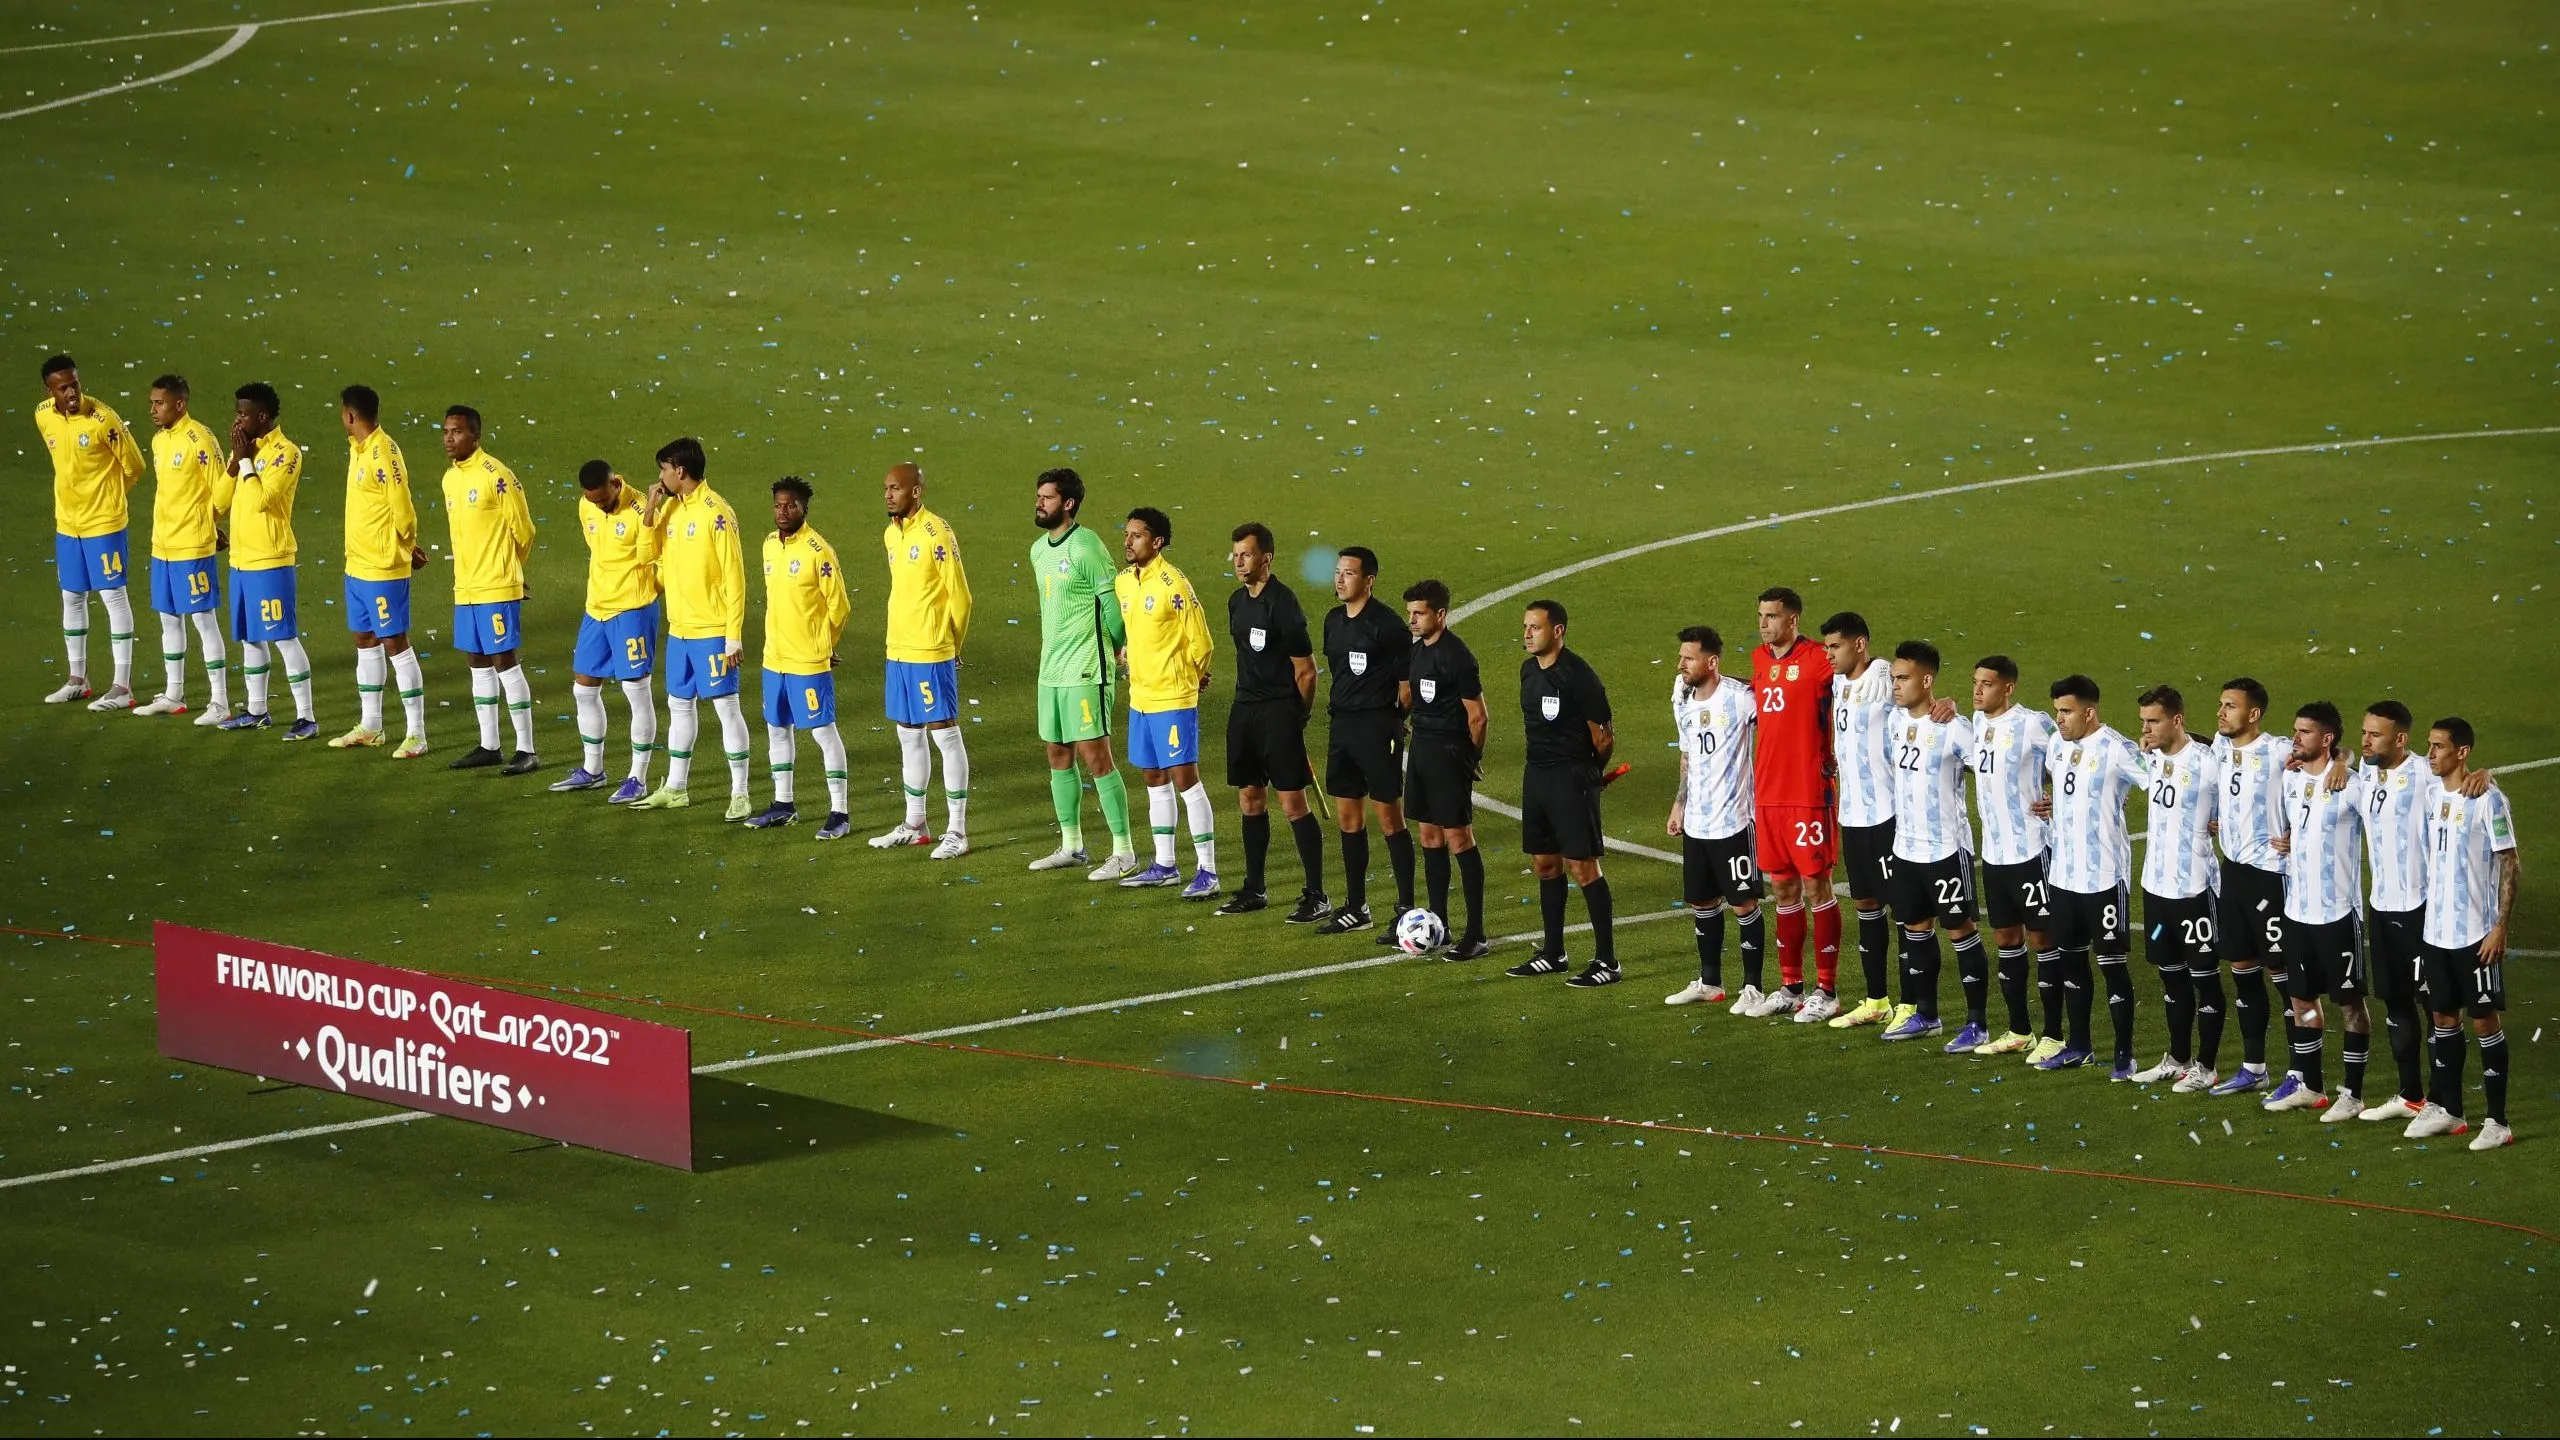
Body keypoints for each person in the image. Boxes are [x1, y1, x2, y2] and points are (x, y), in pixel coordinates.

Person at [2405, 717, 2522, 1149]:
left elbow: (2510, 862)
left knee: (2483, 1020)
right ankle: (2450, 1111)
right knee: (2442, 1018)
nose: (2430, 754)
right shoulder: (2432, 794)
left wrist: (2500, 927)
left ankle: (2498, 1121)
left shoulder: (2489, 800)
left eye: (2438, 746)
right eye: (2429, 745)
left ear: (2463, 752)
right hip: (2436, 933)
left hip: (2476, 934)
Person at [631, 436, 753, 819]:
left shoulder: (717, 513)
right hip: (679, 630)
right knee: (679, 706)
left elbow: (735, 577)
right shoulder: (672, 509)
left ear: (679, 471)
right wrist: (651, 507)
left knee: (726, 708)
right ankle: (676, 787)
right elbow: (645, 554)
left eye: (663, 470)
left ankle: (740, 793)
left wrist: (733, 636)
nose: (660, 477)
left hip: (712, 630)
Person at [1026, 468, 1138, 879]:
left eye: (1047, 497)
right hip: (1051, 670)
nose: (1039, 503)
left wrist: (1118, 647)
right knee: (1057, 754)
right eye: (1039, 496)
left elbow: (1113, 608)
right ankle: (1072, 846)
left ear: (1068, 503)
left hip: (1087, 667)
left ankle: (1124, 851)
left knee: (1096, 757)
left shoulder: (1087, 546)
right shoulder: (1038, 550)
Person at [2029, 675, 2146, 1070]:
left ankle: (2124, 1056)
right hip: (2063, 876)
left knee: (2112, 966)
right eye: (2057, 711)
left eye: (2066, 711)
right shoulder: (2057, 745)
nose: (2059, 719)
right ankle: (2080, 1046)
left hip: (2105, 878)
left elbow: (2162, 779)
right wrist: (2058, 804)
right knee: (2071, 964)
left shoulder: (2118, 749)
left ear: (2090, 712)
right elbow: (2065, 784)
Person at [1504, 599, 1619, 987]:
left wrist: (1590, 774)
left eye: (1534, 627)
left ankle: (1607, 961)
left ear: (1557, 631)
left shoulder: (1578, 676)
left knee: (1582, 866)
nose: (1527, 634)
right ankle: (1554, 953)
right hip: (1537, 775)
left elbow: (1603, 737)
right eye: (1525, 627)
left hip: (1571, 777)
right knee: (1545, 864)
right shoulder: (1528, 671)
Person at [1218, 522, 1329, 921]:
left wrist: (1298, 715)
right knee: (1250, 798)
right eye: (1235, 555)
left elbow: (1307, 671)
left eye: (1246, 555)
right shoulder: (1236, 601)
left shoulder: (1283, 604)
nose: (1238, 562)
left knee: (1292, 803)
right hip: (1244, 709)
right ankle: (1255, 888)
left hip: (1279, 711)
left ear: (1266, 559)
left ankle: (1317, 894)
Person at [1744, 588, 1845, 1020]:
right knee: (1782, 889)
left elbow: (1861, 675)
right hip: (1768, 796)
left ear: (1793, 619)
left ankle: (1827, 990)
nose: (1763, 623)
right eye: (1761, 615)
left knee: (1816, 887)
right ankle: (1791, 986)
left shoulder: (1820, 658)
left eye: (1771, 616)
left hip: (1808, 795)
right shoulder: (1759, 660)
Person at [1877, 641, 1981, 1045]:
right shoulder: (1895, 720)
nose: (1895, 685)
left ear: (1926, 680)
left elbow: (1990, 769)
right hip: (1906, 847)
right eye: (1893, 678)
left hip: (1946, 848)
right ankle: (1926, 1015)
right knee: (1915, 928)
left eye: (1903, 678)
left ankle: (1977, 1024)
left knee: (1960, 930)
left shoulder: (1954, 727)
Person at [2264, 702, 2366, 1113]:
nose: (2295, 738)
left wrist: (2344, 760)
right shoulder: (2290, 778)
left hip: (2338, 912)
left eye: (2304, 732)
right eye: (2295, 730)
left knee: (2349, 1003)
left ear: (2326, 739)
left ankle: (2353, 1095)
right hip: (2297, 912)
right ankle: (2311, 1084)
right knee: (2302, 1001)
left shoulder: (2350, 785)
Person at [1112, 507, 1219, 898]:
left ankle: (1208, 871)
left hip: (1172, 697)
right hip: (1140, 697)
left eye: (1136, 535)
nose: (1127, 541)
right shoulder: (1124, 581)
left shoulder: (1174, 584)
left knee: (1185, 780)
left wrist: (1190, 679)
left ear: (1156, 542)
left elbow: (1202, 642)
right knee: (1153, 779)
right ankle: (1165, 865)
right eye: (1126, 534)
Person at [2126, 686, 2227, 1091]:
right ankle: (2179, 1059)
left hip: (2194, 889)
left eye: (2153, 721)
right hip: (2155, 887)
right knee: (2171, 978)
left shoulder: (2208, 762)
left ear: (2177, 720)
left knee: (2205, 980)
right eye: (2143, 721)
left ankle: (2207, 1066)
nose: (2146, 729)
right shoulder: (2149, 759)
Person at [745, 477, 854, 841]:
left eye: (790, 505)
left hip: (808, 660)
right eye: (778, 505)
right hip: (774, 658)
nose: (783, 511)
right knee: (777, 728)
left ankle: (840, 812)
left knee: (823, 732)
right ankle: (783, 804)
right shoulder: (768, 545)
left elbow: (840, 606)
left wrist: (826, 644)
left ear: (804, 508)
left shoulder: (818, 551)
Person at [874, 462, 974, 858]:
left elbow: (961, 596)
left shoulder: (937, 532)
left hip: (931, 650)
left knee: (944, 734)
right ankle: (915, 824)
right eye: (886, 488)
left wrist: (953, 645)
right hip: (898, 649)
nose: (888, 495)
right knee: (908, 733)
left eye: (895, 488)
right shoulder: (891, 534)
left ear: (915, 491)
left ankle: (958, 831)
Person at [36, 353, 145, 709]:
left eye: (75, 384)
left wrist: (109, 498)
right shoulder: (43, 415)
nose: (72, 393)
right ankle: (78, 680)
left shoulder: (104, 420)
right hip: (68, 524)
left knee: (113, 596)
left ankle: (122, 687)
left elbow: (135, 465)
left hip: (104, 524)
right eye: (63, 388)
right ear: (50, 391)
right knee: (72, 596)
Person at [1316, 546, 1415, 938]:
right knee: (1348, 818)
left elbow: (1406, 689)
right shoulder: (1332, 621)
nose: (1340, 580)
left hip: (1377, 729)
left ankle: (1405, 909)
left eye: (1349, 573)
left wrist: (1390, 721)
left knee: (1389, 818)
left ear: (1369, 580)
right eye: (1338, 572)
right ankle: (1356, 906)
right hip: (1342, 727)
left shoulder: (1388, 627)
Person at [2347, 702, 2437, 1125]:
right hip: (2381, 907)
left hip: (2421, 909)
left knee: (2435, 1007)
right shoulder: (2367, 772)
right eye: (2364, 732)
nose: (2365, 741)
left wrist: (2482, 776)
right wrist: (2343, 759)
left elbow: (2462, 783)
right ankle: (2411, 1095)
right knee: (2396, 1004)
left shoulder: (2424, 774)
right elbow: (2348, 756)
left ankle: (2443, 1102)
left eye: (2375, 735)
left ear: (2400, 739)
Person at [436, 406, 538, 776]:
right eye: (446, 431)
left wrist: (511, 570)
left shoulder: (497, 475)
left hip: (496, 585)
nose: (449, 438)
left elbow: (524, 530)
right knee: (477, 662)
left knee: (504, 662)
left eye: (457, 432)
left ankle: (527, 749)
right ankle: (489, 745)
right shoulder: (450, 478)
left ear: (475, 435)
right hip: (465, 588)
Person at [329, 384, 429, 756]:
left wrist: (407, 546)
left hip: (383, 566)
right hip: (357, 565)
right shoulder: (358, 449)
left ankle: (417, 733)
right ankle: (371, 725)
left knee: (395, 644)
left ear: (350, 415)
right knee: (365, 640)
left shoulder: (383, 451)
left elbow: (403, 508)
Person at [1959, 656, 2051, 1055]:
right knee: (2006, 940)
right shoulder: (1978, 722)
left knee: (2044, 940)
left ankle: (2054, 1035)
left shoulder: (2033, 723)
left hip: (2031, 850)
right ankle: (2019, 1031)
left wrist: (2059, 798)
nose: (1978, 691)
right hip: (1994, 856)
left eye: (1987, 684)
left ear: (2008, 688)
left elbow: (2072, 755)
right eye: (1975, 682)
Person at [213, 381, 316, 738]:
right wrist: (235, 462)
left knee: (283, 637)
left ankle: (307, 717)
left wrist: (244, 460)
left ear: (261, 416)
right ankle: (257, 711)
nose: (237, 421)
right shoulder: (244, 451)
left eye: (243, 414)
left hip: (271, 560)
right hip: (241, 561)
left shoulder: (286, 453)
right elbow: (218, 504)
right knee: (250, 638)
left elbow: (262, 500)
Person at [555, 461, 663, 801]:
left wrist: (647, 592)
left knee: (635, 691)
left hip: (632, 610)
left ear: (616, 483)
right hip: (596, 608)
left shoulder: (641, 509)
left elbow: (657, 557)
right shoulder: (586, 505)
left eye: (603, 499)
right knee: (584, 689)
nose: (599, 505)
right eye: (593, 500)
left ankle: (638, 778)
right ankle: (593, 770)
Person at [2205, 678, 2292, 1096]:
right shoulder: (2220, 748)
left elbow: (2332, 762)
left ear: (2254, 714)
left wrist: (2298, 831)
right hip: (2234, 874)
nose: (2221, 712)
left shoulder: (2279, 750)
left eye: (2230, 706)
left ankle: (2301, 1074)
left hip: (2270, 874)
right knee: (2241, 970)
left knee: (2285, 977)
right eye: (2221, 704)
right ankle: (2254, 1067)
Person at [1663, 625, 1759, 1005]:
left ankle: (1753, 988)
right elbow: (1687, 753)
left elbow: (1779, 718)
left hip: (1734, 819)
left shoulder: (1741, 699)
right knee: (1702, 902)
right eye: (1681, 657)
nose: (1681, 664)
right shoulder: (1682, 695)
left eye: (1689, 658)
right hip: (1697, 821)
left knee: (1743, 904)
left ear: (1712, 661)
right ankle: (1711, 983)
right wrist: (1680, 803)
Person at [134, 374, 233, 724]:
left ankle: (220, 701)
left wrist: (209, 525)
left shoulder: (200, 439)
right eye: (152, 403)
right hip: (162, 546)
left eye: (159, 403)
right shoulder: (159, 441)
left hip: (192, 546)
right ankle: (173, 694)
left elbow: (222, 490)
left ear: (179, 404)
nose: (152, 409)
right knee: (169, 620)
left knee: (203, 620)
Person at [1402, 579, 1490, 959]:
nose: (1412, 620)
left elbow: (1478, 717)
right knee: (1429, 836)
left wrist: (1470, 758)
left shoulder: (1458, 657)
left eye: (1419, 614)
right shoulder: (1416, 651)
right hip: (1421, 750)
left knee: (1458, 838)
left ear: (1440, 614)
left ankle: (1477, 934)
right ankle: (1439, 925)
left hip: (1449, 753)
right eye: (1410, 613)